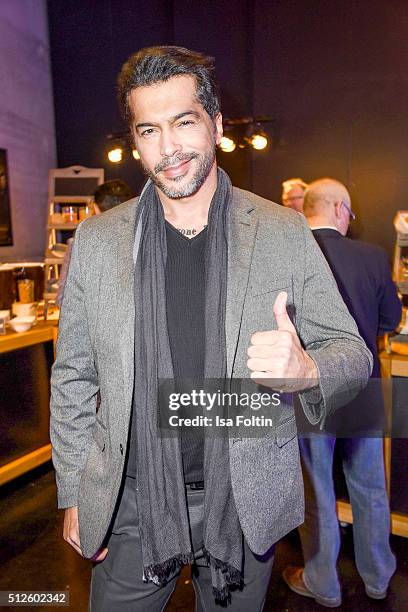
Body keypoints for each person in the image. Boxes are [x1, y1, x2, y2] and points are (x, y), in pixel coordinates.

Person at [50, 47, 372, 611]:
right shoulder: (98, 244)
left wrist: (309, 368)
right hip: (130, 500)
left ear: (217, 125)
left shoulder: (280, 231)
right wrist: (76, 491)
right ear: (134, 139)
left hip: (242, 502)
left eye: (183, 122)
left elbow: (354, 353)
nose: (168, 148)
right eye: (149, 129)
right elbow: (73, 376)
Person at [283, 178, 401, 607]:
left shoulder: (288, 254)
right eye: (350, 213)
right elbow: (390, 318)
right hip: (364, 386)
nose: (351, 220)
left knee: (317, 492)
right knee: (370, 488)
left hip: (311, 389)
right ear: (337, 208)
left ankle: (324, 584)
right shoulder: (372, 256)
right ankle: (378, 578)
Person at [56, 179, 133, 305]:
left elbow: (64, 298)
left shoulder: (81, 242)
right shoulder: (145, 237)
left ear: (96, 208)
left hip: (95, 322)